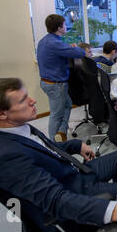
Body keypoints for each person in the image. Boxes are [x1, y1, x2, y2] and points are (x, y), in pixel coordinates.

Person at [0, 77, 117, 232]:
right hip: (75, 191)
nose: (33, 100)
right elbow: (56, 200)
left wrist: (74, 144)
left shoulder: (16, 127)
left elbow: (45, 148)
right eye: (23, 100)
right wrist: (114, 210)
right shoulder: (7, 157)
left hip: (76, 172)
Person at [37, 14, 89, 142]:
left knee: (67, 105)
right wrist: (75, 47)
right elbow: (81, 53)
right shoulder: (55, 43)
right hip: (56, 85)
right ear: (60, 28)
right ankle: (54, 145)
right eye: (65, 24)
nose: (66, 26)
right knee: (56, 114)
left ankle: (61, 133)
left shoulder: (45, 40)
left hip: (48, 82)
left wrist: (69, 49)